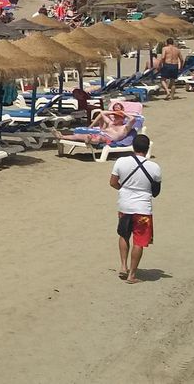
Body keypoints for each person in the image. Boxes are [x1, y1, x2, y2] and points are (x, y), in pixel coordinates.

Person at [109, 134, 161, 284]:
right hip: (143, 208)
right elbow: (156, 192)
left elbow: (113, 182)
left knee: (124, 235)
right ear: (147, 148)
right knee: (139, 240)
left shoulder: (121, 162)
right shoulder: (154, 167)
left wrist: (124, 190)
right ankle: (132, 274)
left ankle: (123, 266)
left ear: (133, 147)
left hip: (125, 205)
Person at [64, 106, 134, 145]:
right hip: (100, 134)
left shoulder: (125, 127)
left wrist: (123, 113)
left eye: (118, 117)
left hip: (108, 139)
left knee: (99, 138)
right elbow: (102, 113)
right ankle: (61, 136)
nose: (115, 117)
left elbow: (132, 119)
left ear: (123, 118)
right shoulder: (110, 123)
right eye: (115, 116)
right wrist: (113, 112)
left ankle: (89, 141)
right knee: (78, 136)